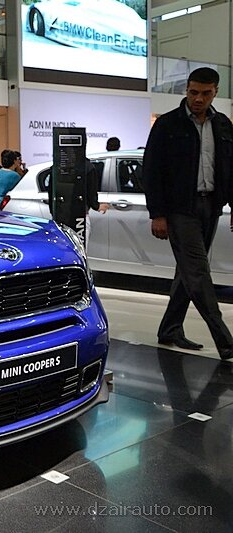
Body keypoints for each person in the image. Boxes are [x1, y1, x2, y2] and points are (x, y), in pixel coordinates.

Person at [143, 67, 233, 361]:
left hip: (211, 206)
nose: (198, 99)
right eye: (193, 92)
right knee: (198, 272)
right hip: (180, 209)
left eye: (205, 93)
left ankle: (169, 329)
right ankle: (225, 340)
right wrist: (158, 214)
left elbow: (230, 168)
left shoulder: (223, 124)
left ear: (215, 92)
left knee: (187, 271)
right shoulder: (168, 124)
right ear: (186, 90)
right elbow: (151, 171)